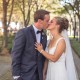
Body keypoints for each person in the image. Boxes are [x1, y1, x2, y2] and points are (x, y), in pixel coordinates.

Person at [11, 9, 50, 80]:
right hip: (25, 75)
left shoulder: (45, 36)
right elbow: (16, 54)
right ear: (40, 21)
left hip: (39, 76)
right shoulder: (23, 33)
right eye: (47, 21)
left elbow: (42, 57)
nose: (49, 23)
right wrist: (16, 76)